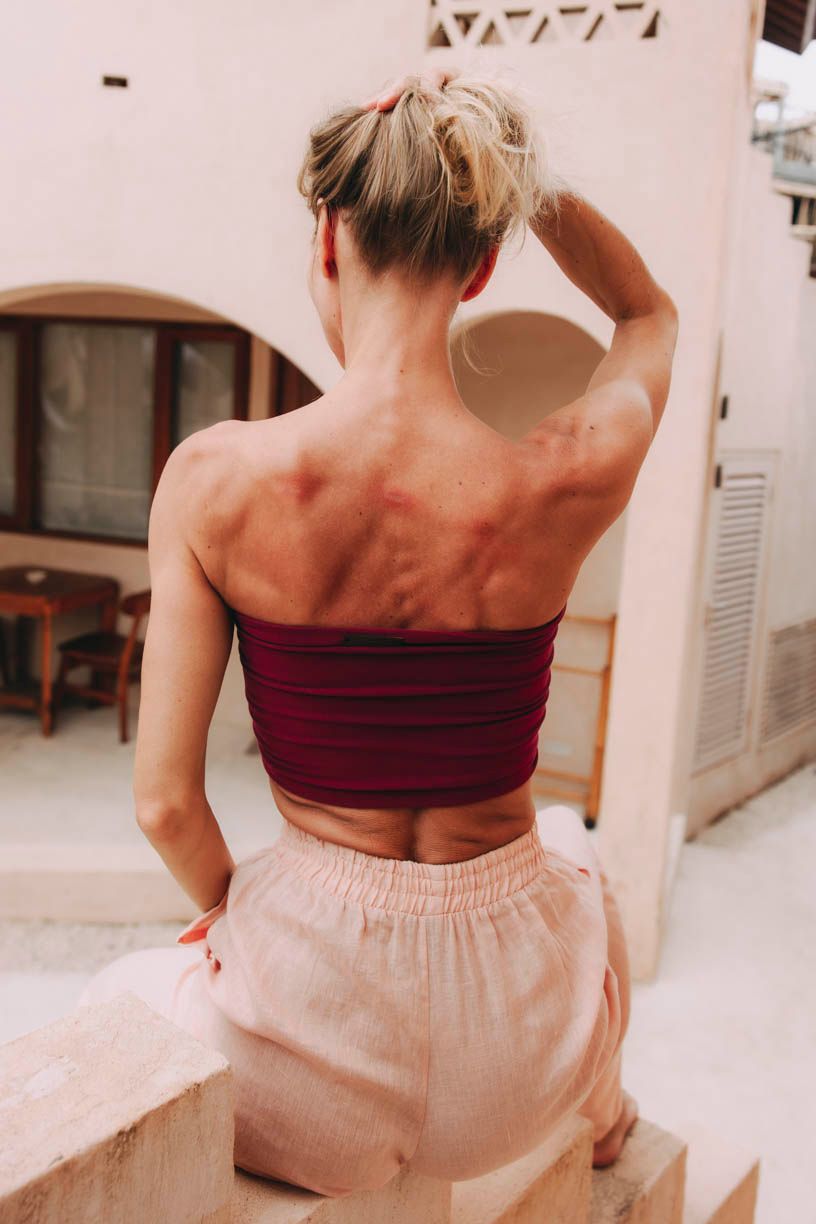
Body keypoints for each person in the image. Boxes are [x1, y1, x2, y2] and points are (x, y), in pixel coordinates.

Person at [75, 67, 679, 1198]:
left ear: (326, 239)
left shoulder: (215, 480)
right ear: (483, 265)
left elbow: (165, 807)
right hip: (524, 1064)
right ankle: (608, 1114)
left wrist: (247, 920)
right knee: (573, 849)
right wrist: (519, 176)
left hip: (304, 1063)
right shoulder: (563, 474)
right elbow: (647, 312)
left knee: (116, 999)